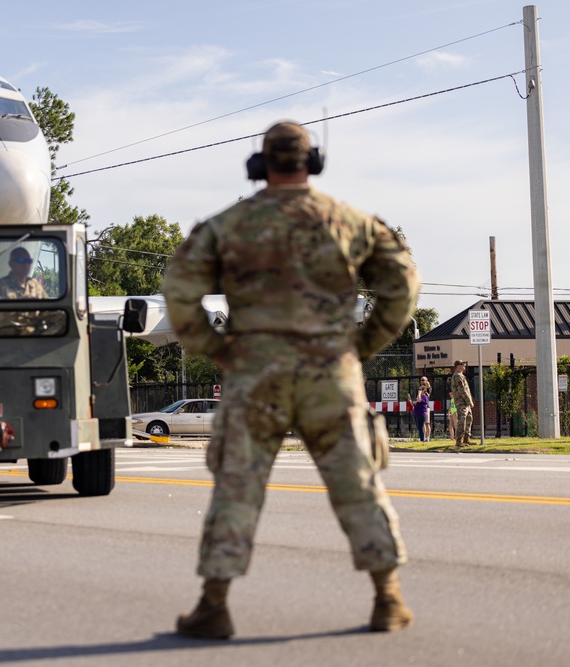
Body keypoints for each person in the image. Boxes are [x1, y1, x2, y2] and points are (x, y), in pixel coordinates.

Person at [163, 121, 419, 639]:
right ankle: (387, 599)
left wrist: (220, 351)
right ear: (313, 162)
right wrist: (358, 348)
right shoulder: (351, 222)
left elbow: (179, 292)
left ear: (260, 165)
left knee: (237, 487)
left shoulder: (227, 225)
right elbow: (402, 284)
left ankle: (215, 606)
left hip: (255, 374)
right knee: (357, 483)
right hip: (332, 375)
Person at [450, 360, 475, 449]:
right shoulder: (457, 376)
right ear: (458, 366)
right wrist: (469, 401)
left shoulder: (461, 376)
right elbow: (462, 391)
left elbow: (466, 390)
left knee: (469, 418)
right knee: (462, 420)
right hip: (461, 402)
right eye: (462, 365)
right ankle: (459, 441)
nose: (464, 366)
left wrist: (470, 400)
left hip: (465, 402)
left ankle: (466, 439)